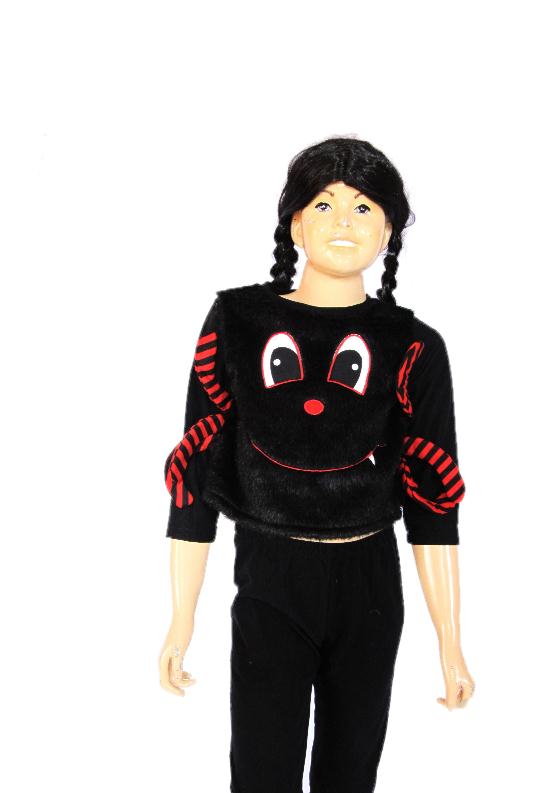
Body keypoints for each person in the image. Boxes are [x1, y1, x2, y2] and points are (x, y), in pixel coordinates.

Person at [158, 136, 475, 793]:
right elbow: (196, 467)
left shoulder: (414, 345)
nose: (343, 221)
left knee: (351, 771)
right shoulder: (237, 323)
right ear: (296, 223)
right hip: (271, 573)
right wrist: (180, 615)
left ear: (389, 230)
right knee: (261, 769)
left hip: (370, 581)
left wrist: (450, 638)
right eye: (324, 204)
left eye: (364, 207)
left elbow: (432, 497)